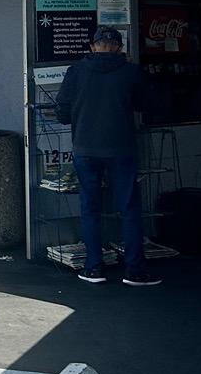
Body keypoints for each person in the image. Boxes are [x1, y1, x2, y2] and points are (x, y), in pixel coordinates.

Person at [55, 26, 159, 285]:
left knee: (90, 209)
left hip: (85, 149)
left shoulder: (76, 72)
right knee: (129, 208)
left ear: (93, 46)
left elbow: (62, 113)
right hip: (121, 148)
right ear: (119, 47)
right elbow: (144, 104)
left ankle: (93, 268)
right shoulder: (131, 72)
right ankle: (135, 270)